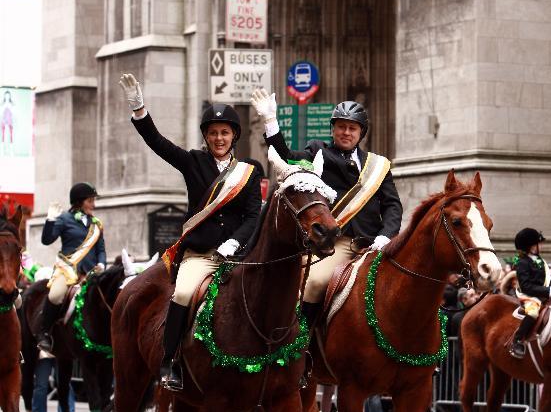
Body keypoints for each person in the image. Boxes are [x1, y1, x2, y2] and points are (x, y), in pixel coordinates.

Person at [119, 73, 262, 391]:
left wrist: (235, 242)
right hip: (201, 254)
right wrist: (140, 111)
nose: (219, 138)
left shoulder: (250, 171)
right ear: (206, 136)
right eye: (213, 133)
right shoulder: (193, 162)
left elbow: (254, 215)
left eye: (224, 132)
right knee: (182, 294)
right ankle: (170, 362)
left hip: (238, 256)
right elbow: (159, 144)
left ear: (234, 135)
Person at [251, 88, 403, 326]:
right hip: (336, 242)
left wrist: (386, 236)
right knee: (315, 283)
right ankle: (302, 341)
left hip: (374, 243)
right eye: (341, 127)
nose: (346, 132)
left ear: (361, 132)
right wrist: (270, 121)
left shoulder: (379, 166)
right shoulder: (318, 151)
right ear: (333, 129)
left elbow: (393, 206)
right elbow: (287, 156)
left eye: (352, 128)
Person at [36, 182, 106, 351]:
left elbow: (101, 249)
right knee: (55, 295)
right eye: (90, 201)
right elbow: (47, 240)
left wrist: (102, 263)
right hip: (68, 270)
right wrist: (50, 220)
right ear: (79, 201)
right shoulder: (64, 219)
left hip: (90, 273)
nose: (93, 205)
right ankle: (44, 333)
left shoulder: (96, 224)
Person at [509, 228, 551, 359]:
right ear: (531, 247)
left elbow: (545, 280)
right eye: (538, 244)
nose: (541, 246)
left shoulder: (540, 261)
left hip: (542, 293)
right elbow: (526, 286)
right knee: (533, 311)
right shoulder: (523, 263)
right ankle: (518, 339)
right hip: (527, 295)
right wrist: (548, 291)